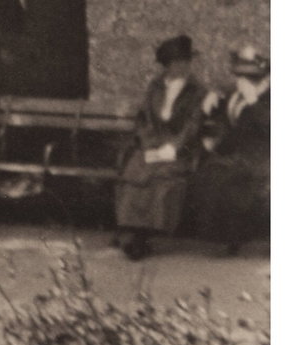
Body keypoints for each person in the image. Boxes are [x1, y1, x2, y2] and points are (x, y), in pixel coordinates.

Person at [114, 34, 207, 260]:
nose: (183, 66)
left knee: (161, 178)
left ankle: (141, 236)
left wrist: (173, 148)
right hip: (152, 145)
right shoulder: (155, 87)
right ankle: (131, 232)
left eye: (186, 61)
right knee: (135, 172)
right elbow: (144, 119)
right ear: (167, 65)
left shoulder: (197, 91)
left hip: (181, 150)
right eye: (177, 62)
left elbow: (193, 125)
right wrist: (150, 145)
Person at [189, 44, 270, 255]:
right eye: (240, 76)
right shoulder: (235, 94)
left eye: (251, 77)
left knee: (232, 178)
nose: (243, 81)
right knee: (213, 173)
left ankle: (237, 238)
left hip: (264, 155)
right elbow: (225, 117)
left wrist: (254, 101)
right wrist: (211, 100)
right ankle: (228, 237)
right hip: (237, 153)